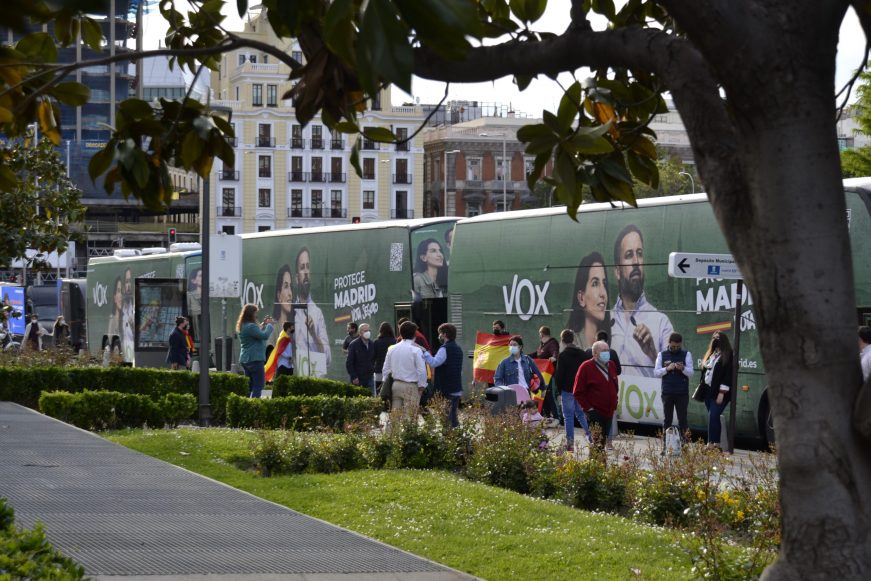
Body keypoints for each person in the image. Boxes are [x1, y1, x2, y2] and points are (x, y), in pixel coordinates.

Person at [610, 225, 674, 376]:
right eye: (628, 255)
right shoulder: (607, 320)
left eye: (639, 253)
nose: (636, 261)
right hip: (614, 398)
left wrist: (652, 352)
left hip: (648, 398)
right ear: (618, 272)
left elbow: (673, 372)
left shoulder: (661, 322)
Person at [573, 340, 620, 453]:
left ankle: (600, 468)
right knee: (597, 444)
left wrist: (615, 402)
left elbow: (615, 385)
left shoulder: (612, 365)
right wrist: (589, 408)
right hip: (595, 413)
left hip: (608, 412)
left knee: (602, 443)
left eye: (607, 350)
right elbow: (577, 391)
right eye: (603, 351)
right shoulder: (586, 367)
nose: (607, 353)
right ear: (594, 354)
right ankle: (595, 468)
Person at [293, 247, 331, 375]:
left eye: (308, 267)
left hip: (316, 375)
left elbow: (327, 358)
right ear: (297, 277)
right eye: (302, 267)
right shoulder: (291, 312)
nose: (306, 272)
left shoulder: (317, 313)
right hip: (298, 373)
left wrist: (314, 335)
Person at [654, 332, 694, 450]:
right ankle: (666, 446)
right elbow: (656, 373)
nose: (675, 349)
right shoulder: (662, 354)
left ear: (680, 344)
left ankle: (685, 446)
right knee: (667, 420)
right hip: (667, 392)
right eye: (673, 346)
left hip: (682, 393)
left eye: (678, 347)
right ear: (669, 343)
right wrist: (667, 369)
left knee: (683, 420)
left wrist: (683, 369)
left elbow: (691, 373)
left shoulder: (686, 354)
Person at [555, 329, 592, 452]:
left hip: (567, 390)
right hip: (581, 390)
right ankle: (591, 438)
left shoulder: (563, 355)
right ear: (573, 339)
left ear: (562, 340)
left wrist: (559, 391)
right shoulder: (583, 354)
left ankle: (570, 444)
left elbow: (559, 375)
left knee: (568, 417)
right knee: (581, 414)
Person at [382, 321, 428, 420]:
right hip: (411, 386)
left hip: (395, 385)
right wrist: (422, 385)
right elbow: (421, 370)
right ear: (414, 334)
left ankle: (392, 435)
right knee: (410, 418)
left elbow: (386, 369)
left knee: (394, 417)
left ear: (400, 332)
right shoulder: (416, 350)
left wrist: (385, 383)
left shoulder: (392, 348)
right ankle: (407, 435)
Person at [565, 251, 612, 349]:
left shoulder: (610, 343)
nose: (603, 293)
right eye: (595, 283)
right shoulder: (571, 344)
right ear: (581, 298)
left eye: (604, 283)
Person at [422, 323, 464, 427]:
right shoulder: (458, 348)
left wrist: (425, 352)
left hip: (446, 388)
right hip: (456, 387)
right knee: (453, 417)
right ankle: (457, 439)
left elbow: (434, 362)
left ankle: (449, 440)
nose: (439, 336)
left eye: (440, 333)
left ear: (445, 334)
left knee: (446, 419)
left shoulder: (444, 349)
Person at [698, 331, 734, 449]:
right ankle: (713, 443)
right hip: (708, 390)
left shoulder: (728, 355)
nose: (715, 341)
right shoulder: (712, 353)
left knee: (713, 415)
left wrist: (722, 393)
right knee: (713, 417)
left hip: (719, 392)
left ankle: (713, 444)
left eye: (717, 339)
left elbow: (728, 376)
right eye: (714, 339)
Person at [237, 303, 274, 398]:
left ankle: (245, 404)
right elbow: (264, 336)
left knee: (249, 385)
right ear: (250, 314)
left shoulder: (243, 325)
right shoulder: (250, 326)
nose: (256, 315)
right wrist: (269, 325)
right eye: (255, 313)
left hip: (246, 359)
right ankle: (254, 406)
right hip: (255, 359)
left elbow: (255, 332)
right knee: (259, 385)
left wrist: (263, 324)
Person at [529, 326, 560, 422]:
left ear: (541, 334)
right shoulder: (542, 345)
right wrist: (526, 356)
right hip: (542, 376)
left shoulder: (552, 343)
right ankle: (546, 416)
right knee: (544, 396)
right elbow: (537, 354)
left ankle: (556, 417)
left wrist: (554, 357)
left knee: (550, 396)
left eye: (539, 334)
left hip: (549, 376)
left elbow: (555, 352)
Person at [346, 323, 376, 396]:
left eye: (368, 330)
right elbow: (349, 363)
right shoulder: (354, 345)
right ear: (360, 332)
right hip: (358, 379)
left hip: (370, 377)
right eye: (365, 331)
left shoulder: (372, 344)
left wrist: (372, 369)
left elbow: (373, 359)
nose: (367, 332)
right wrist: (354, 376)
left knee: (372, 399)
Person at [271, 264, 295, 344]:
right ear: (279, 296)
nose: (290, 293)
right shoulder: (273, 328)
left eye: (290, 287)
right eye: (286, 286)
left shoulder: (295, 326)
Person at [373, 322, 395, 387]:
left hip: (379, 370)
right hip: (392, 371)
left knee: (379, 391)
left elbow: (373, 357)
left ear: (380, 330)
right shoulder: (395, 341)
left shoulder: (376, 342)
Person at [121, 268, 135, 362]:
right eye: (126, 282)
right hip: (127, 349)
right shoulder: (124, 308)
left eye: (130, 281)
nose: (128, 285)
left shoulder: (134, 306)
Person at [107, 275, 123, 349]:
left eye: (123, 292)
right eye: (119, 291)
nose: (121, 296)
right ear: (114, 297)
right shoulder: (112, 319)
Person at [187, 267, 202, 340]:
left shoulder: (210, 295)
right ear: (193, 281)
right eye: (201, 276)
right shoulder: (190, 295)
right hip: (196, 329)